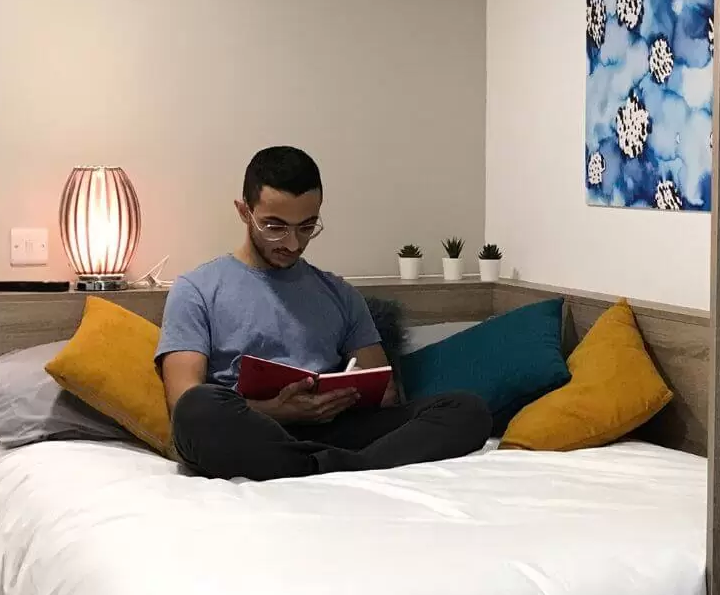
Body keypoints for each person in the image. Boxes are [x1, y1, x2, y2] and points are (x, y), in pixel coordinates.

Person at [156, 146, 491, 479]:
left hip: (335, 429)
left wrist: (344, 397)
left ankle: (324, 468)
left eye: (306, 226)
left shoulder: (339, 293)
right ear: (244, 212)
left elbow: (383, 390)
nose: (292, 243)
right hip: (256, 430)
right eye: (275, 227)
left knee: (466, 410)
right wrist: (276, 410)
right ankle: (336, 467)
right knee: (197, 410)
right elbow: (182, 399)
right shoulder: (196, 290)